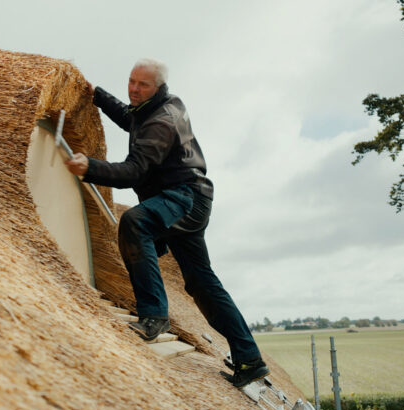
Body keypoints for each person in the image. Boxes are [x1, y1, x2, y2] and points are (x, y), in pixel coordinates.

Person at [65, 58, 269, 387]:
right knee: (202, 283)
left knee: (135, 222)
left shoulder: (162, 120)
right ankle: (250, 360)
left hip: (184, 198)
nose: (133, 89)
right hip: (188, 198)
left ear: (157, 88)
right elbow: (130, 117)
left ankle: (154, 317)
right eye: (131, 81)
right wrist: (98, 95)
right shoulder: (156, 105)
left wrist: (90, 167)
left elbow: (133, 170)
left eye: (142, 85)